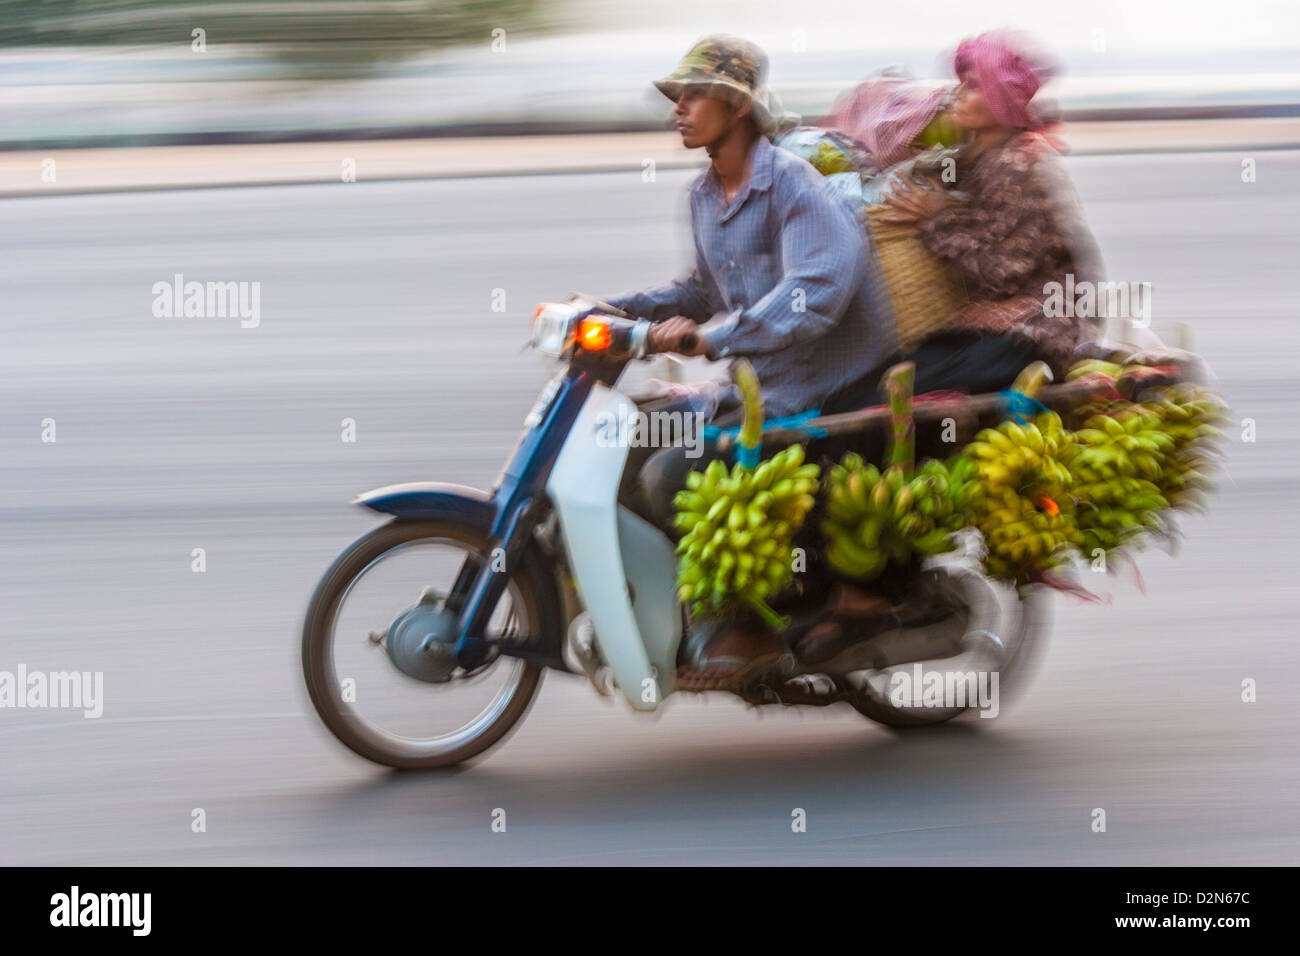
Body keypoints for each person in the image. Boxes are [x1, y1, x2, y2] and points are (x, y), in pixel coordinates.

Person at [601, 34, 898, 689]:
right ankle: (679, 611)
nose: (679, 106)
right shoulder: (706, 197)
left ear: (737, 107)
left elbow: (814, 293)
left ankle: (752, 627)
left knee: (675, 473)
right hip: (762, 389)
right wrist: (611, 309)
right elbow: (701, 292)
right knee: (626, 441)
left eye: (695, 94)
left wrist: (712, 339)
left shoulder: (792, 185)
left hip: (829, 391)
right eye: (676, 95)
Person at [879, 30, 1104, 394]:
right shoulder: (981, 158)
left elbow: (1004, 271)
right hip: (1000, 329)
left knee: (902, 385)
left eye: (972, 87)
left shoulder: (1018, 163)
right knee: (895, 370)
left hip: (1042, 334)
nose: (957, 96)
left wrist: (933, 219)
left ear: (999, 99)